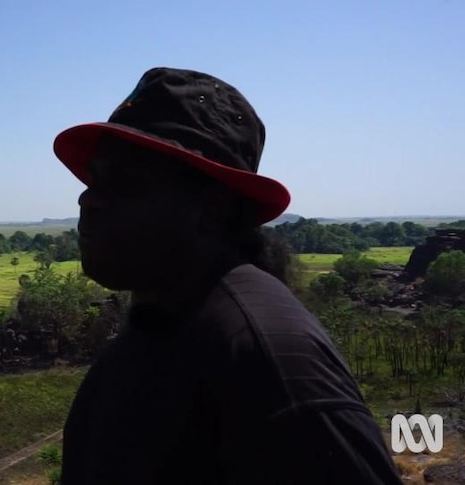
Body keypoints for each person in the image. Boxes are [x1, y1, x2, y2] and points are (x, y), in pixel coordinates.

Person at [51, 67, 402, 484]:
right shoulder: (161, 323)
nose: (88, 200)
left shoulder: (267, 357)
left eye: (125, 184)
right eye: (95, 180)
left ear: (211, 210)